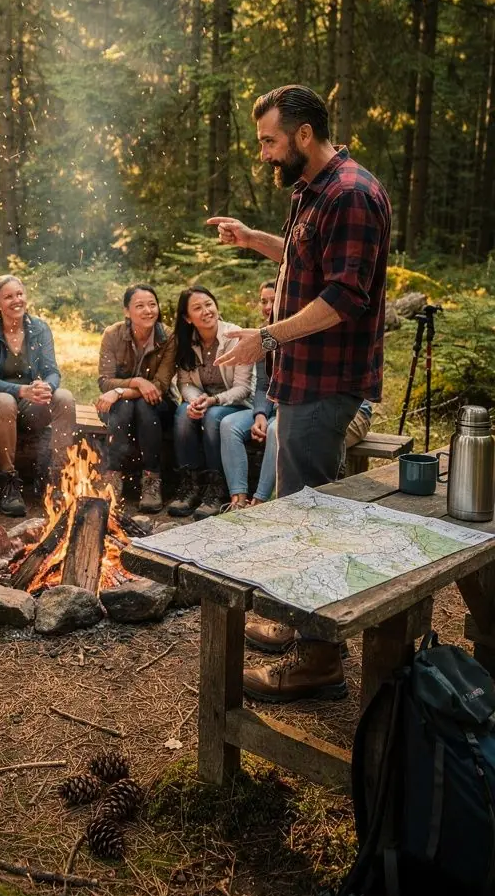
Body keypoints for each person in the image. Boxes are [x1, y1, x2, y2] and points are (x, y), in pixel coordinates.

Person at [211, 83, 391, 702]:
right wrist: (252, 238)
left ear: (304, 136)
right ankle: (299, 621)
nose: (263, 152)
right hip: (299, 384)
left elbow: (345, 295)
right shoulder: (313, 192)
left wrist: (266, 336)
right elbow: (301, 255)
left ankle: (319, 661)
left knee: (314, 519)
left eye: (269, 140)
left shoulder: (353, 194)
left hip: (326, 384)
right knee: (296, 513)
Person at [0, 276, 76, 516]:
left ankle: (56, 474)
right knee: (5, 401)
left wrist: (46, 387)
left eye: (19, 294)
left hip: (29, 403)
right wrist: (21, 390)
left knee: (65, 397)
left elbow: (52, 371)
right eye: (8, 296)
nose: (16, 300)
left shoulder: (39, 328)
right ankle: (7, 481)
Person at [167, 286, 255, 519]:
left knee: (214, 416)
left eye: (209, 304)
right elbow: (184, 383)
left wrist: (214, 401)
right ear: (187, 318)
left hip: (237, 403)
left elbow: (244, 388)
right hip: (205, 401)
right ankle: (191, 484)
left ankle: (217, 488)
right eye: (197, 308)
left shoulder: (234, 336)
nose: (206, 311)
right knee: (183, 413)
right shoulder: (186, 342)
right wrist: (196, 402)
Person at [95, 285, 177, 513]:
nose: (148, 311)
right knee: (125, 407)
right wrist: (136, 383)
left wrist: (120, 391)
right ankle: (113, 476)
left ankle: (152, 479)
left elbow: (159, 387)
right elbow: (104, 381)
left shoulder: (168, 337)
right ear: (126, 311)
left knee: (143, 405)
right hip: (116, 406)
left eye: (152, 304)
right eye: (139, 306)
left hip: (158, 405)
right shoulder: (112, 334)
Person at [216, 281, 279, 512]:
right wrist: (260, 414)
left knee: (275, 430)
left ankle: (260, 502)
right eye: (264, 301)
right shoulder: (262, 334)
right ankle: (238, 501)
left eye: (274, 300)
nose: (268, 306)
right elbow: (262, 385)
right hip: (269, 406)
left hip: (292, 410)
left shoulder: (299, 332)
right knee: (228, 424)